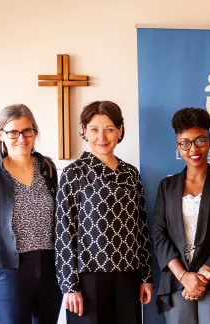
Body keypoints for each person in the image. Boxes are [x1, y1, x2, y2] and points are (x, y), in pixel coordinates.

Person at [0, 104, 62, 324]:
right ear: (0, 135)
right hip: (8, 271)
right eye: (13, 132)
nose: (21, 138)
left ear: (35, 132)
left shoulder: (48, 168)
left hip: (49, 269)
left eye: (27, 130)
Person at [55, 101, 153, 324]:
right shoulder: (73, 174)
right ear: (84, 131)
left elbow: (141, 229)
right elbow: (63, 232)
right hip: (88, 279)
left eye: (109, 129)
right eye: (94, 129)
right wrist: (70, 285)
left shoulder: (130, 174)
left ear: (120, 131)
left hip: (129, 274)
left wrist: (146, 277)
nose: (102, 137)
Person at [152, 107, 210, 324]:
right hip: (177, 280)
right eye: (185, 143)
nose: (193, 149)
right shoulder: (166, 187)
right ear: (178, 147)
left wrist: (201, 278)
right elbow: (159, 235)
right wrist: (185, 277)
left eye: (200, 140)